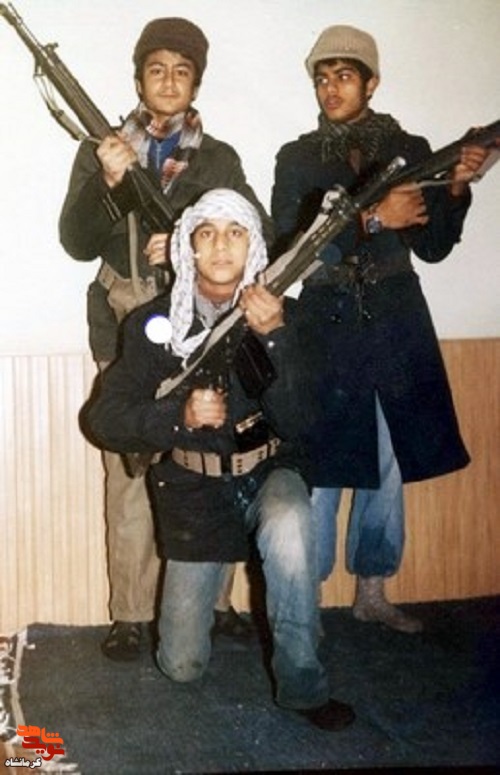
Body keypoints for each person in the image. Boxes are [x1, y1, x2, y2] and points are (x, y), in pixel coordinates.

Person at [82, 188, 355, 732]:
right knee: (180, 666)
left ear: (254, 246)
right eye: (206, 233)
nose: (222, 245)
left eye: (236, 233)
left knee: (291, 522)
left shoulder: (287, 316)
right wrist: (178, 416)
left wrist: (274, 338)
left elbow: (304, 421)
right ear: (188, 247)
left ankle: (303, 685)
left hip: (269, 471)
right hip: (196, 492)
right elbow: (103, 419)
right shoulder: (152, 325)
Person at [59, 17, 270, 660]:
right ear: (139, 80)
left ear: (195, 83)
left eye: (182, 71)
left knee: (213, 459)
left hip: (203, 322)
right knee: (129, 469)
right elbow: (75, 242)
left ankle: (218, 603)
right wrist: (110, 183)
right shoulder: (102, 151)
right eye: (157, 69)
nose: (169, 81)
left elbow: (256, 232)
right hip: (126, 321)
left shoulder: (219, 158)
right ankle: (129, 613)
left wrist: (185, 239)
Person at [271, 25, 491, 633]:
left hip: (395, 316)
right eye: (322, 78)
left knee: (388, 457)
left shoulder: (410, 148)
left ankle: (372, 589)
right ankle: (306, 597)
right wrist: (371, 219)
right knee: (320, 463)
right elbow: (291, 248)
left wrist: (456, 185)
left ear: (372, 83)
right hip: (325, 317)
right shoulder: (297, 157)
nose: (330, 89)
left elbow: (435, 246)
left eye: (344, 76)